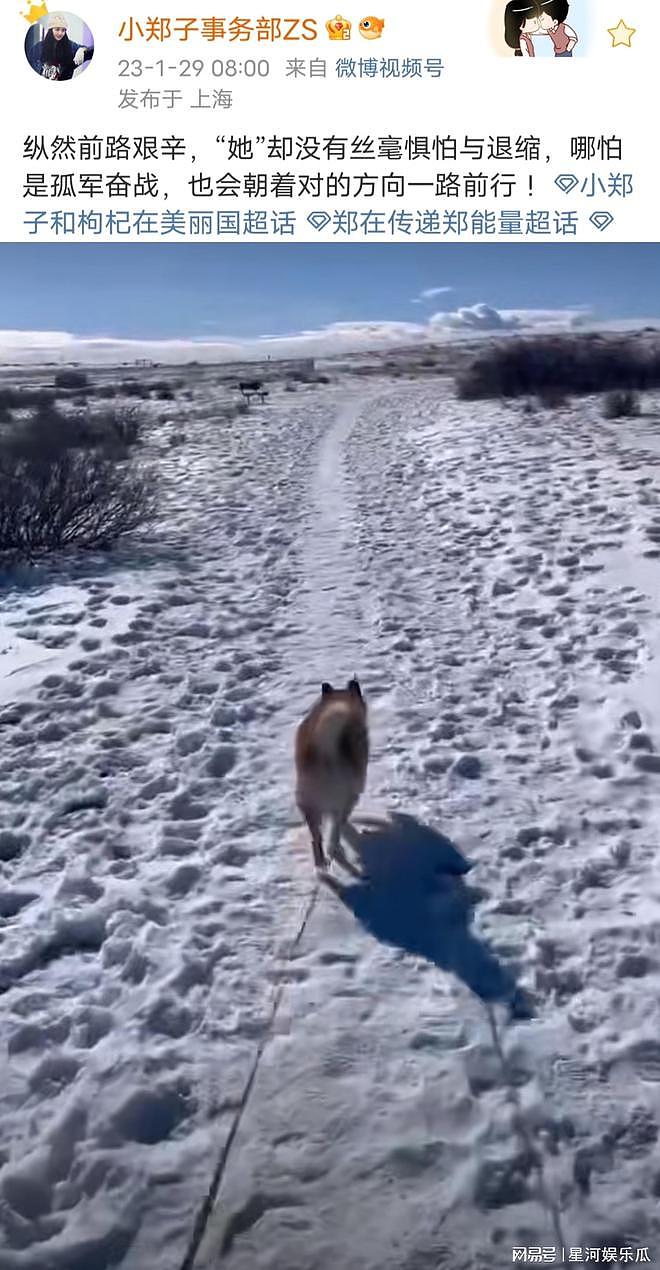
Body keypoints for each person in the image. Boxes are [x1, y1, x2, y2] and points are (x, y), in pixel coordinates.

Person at [27, 13, 93, 81]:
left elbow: (90, 51)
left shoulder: (71, 46)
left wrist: (82, 49)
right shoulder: (37, 48)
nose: (60, 33)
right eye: (57, 29)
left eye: (63, 30)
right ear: (51, 30)